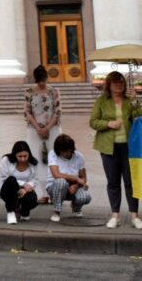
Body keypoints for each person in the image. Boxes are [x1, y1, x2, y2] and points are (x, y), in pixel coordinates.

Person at [89, 70, 142, 229]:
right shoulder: (101, 101)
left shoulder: (129, 100)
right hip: (108, 147)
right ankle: (115, 216)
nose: (118, 85)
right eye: (115, 82)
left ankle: (134, 215)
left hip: (129, 147)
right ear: (109, 85)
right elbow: (93, 122)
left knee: (130, 182)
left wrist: (135, 102)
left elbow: (139, 118)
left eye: (121, 82)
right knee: (113, 182)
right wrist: (108, 124)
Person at [25, 64, 61, 203]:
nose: (41, 83)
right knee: (38, 160)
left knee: (53, 159)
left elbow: (57, 112)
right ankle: (44, 193)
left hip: (52, 129)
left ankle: (54, 192)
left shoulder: (54, 92)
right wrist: (39, 129)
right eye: (39, 80)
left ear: (46, 77)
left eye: (43, 79)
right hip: (34, 131)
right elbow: (28, 113)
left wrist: (47, 128)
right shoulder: (29, 92)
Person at [46, 133, 91, 222]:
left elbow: (83, 178)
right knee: (61, 182)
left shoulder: (79, 156)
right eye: (63, 151)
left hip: (73, 187)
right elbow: (56, 175)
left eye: (68, 151)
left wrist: (76, 186)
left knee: (85, 197)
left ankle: (76, 207)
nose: (66, 153)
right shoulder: (53, 154)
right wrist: (76, 179)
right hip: (55, 186)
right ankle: (57, 211)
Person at [0, 141, 39, 225]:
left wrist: (25, 189)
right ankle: (11, 212)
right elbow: (5, 178)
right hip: (8, 190)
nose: (23, 159)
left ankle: (24, 210)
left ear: (29, 154)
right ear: (15, 155)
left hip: (26, 190)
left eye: (25, 156)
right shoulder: (6, 160)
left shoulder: (33, 162)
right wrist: (23, 184)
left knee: (31, 200)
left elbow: (35, 180)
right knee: (11, 179)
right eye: (20, 156)